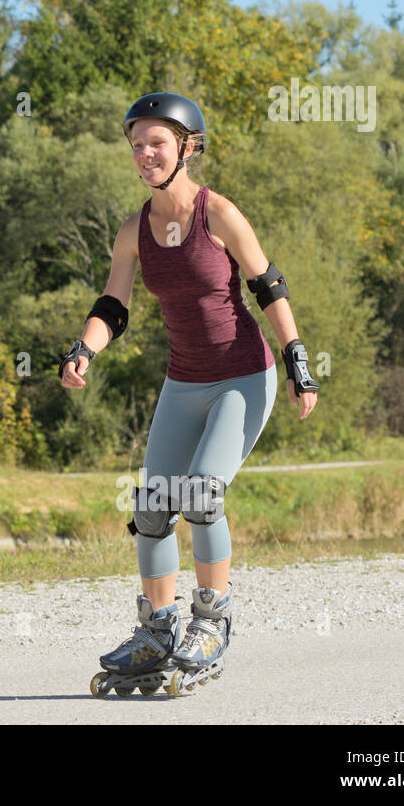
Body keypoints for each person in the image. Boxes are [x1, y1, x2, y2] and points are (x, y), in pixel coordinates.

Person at [60, 92, 319, 697]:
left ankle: (211, 624)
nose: (144, 153)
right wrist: (84, 350)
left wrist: (298, 360)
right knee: (152, 504)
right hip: (184, 381)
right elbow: (111, 306)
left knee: (201, 494)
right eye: (136, 145)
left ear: (187, 148)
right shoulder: (135, 230)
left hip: (241, 374)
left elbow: (269, 285)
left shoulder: (218, 214)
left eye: (157, 143)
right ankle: (156, 632)